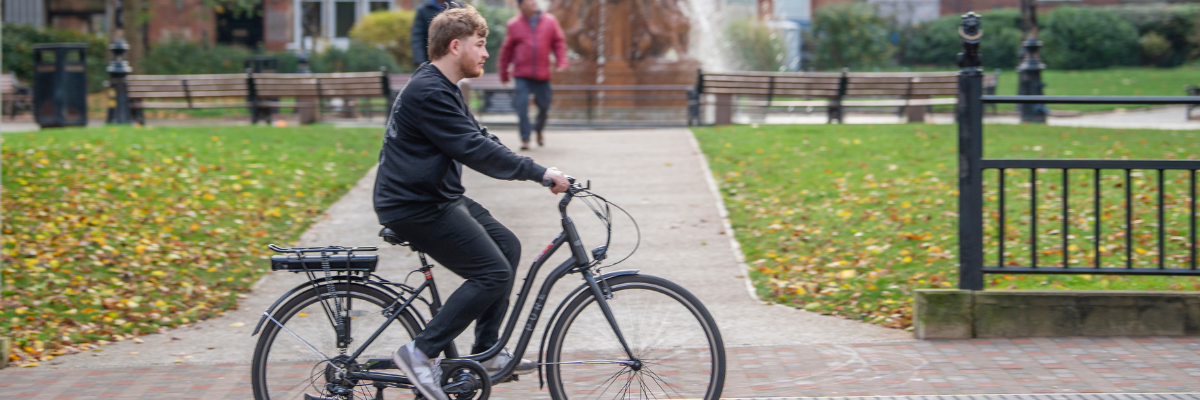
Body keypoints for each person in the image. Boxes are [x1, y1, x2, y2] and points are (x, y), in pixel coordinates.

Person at [374, 5, 570, 400]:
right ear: (455, 45)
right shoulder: (430, 91)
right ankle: (420, 353)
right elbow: (473, 150)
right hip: (414, 206)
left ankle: (486, 352)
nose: (484, 54)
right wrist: (537, 173)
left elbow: (480, 137)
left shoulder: (443, 86)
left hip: (436, 197)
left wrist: (537, 169)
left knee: (507, 247)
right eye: (480, 45)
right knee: (492, 274)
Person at [498, 0, 567, 150]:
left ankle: (539, 130)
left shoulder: (550, 21)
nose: (533, 2)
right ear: (521, 5)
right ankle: (525, 138)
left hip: (542, 74)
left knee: (544, 106)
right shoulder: (514, 24)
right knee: (521, 107)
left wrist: (561, 61)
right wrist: (503, 73)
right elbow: (507, 51)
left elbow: (558, 42)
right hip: (521, 74)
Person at [410, 0, 460, 66]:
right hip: (431, 60)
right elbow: (417, 37)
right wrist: (420, 61)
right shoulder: (424, 9)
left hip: (455, 58)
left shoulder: (457, 6)